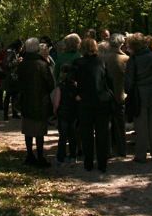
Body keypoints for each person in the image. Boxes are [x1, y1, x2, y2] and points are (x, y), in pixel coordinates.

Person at [73, 38, 115, 173]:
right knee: (102, 133)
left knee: (87, 133)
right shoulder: (102, 61)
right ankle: (102, 163)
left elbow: (71, 80)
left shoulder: (78, 63)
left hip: (85, 101)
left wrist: (76, 94)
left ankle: (88, 163)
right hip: (101, 100)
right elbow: (110, 81)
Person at [124, 33, 152, 163]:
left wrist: (128, 92)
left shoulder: (134, 59)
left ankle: (141, 155)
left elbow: (129, 81)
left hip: (140, 94)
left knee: (141, 126)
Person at [18, 37, 55, 167]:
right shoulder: (42, 64)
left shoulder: (22, 65)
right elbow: (51, 84)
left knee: (28, 129)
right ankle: (40, 157)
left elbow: (19, 82)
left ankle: (29, 155)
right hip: (41, 101)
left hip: (27, 100)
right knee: (39, 132)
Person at [102, 33, 129, 157]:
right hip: (120, 96)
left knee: (106, 125)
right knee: (120, 125)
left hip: (105, 96)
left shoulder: (102, 58)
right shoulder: (126, 59)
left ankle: (107, 151)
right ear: (122, 44)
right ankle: (122, 149)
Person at [52, 63, 78, 167]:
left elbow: (56, 101)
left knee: (63, 136)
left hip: (63, 113)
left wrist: (55, 111)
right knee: (72, 135)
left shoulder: (60, 86)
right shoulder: (75, 85)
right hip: (72, 112)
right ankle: (73, 156)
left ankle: (60, 157)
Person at [3, 39, 23, 120]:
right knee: (8, 96)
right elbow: (7, 64)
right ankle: (5, 115)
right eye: (21, 47)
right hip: (9, 77)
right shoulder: (10, 52)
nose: (21, 49)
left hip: (15, 76)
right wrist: (17, 62)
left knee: (15, 96)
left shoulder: (16, 52)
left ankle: (15, 113)